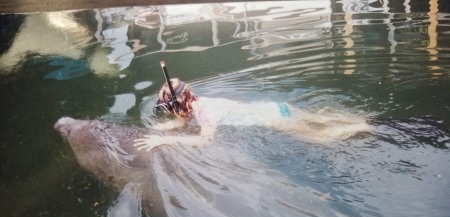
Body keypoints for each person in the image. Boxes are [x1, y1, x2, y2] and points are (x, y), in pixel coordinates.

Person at [134, 66, 370, 152]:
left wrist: (167, 140)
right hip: (278, 108)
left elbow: (205, 141)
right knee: (318, 119)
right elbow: (184, 120)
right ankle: (357, 118)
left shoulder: (205, 115)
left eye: (167, 108)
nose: (168, 112)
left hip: (276, 120)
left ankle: (361, 126)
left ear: (177, 106)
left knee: (318, 138)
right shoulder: (201, 102)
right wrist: (164, 128)